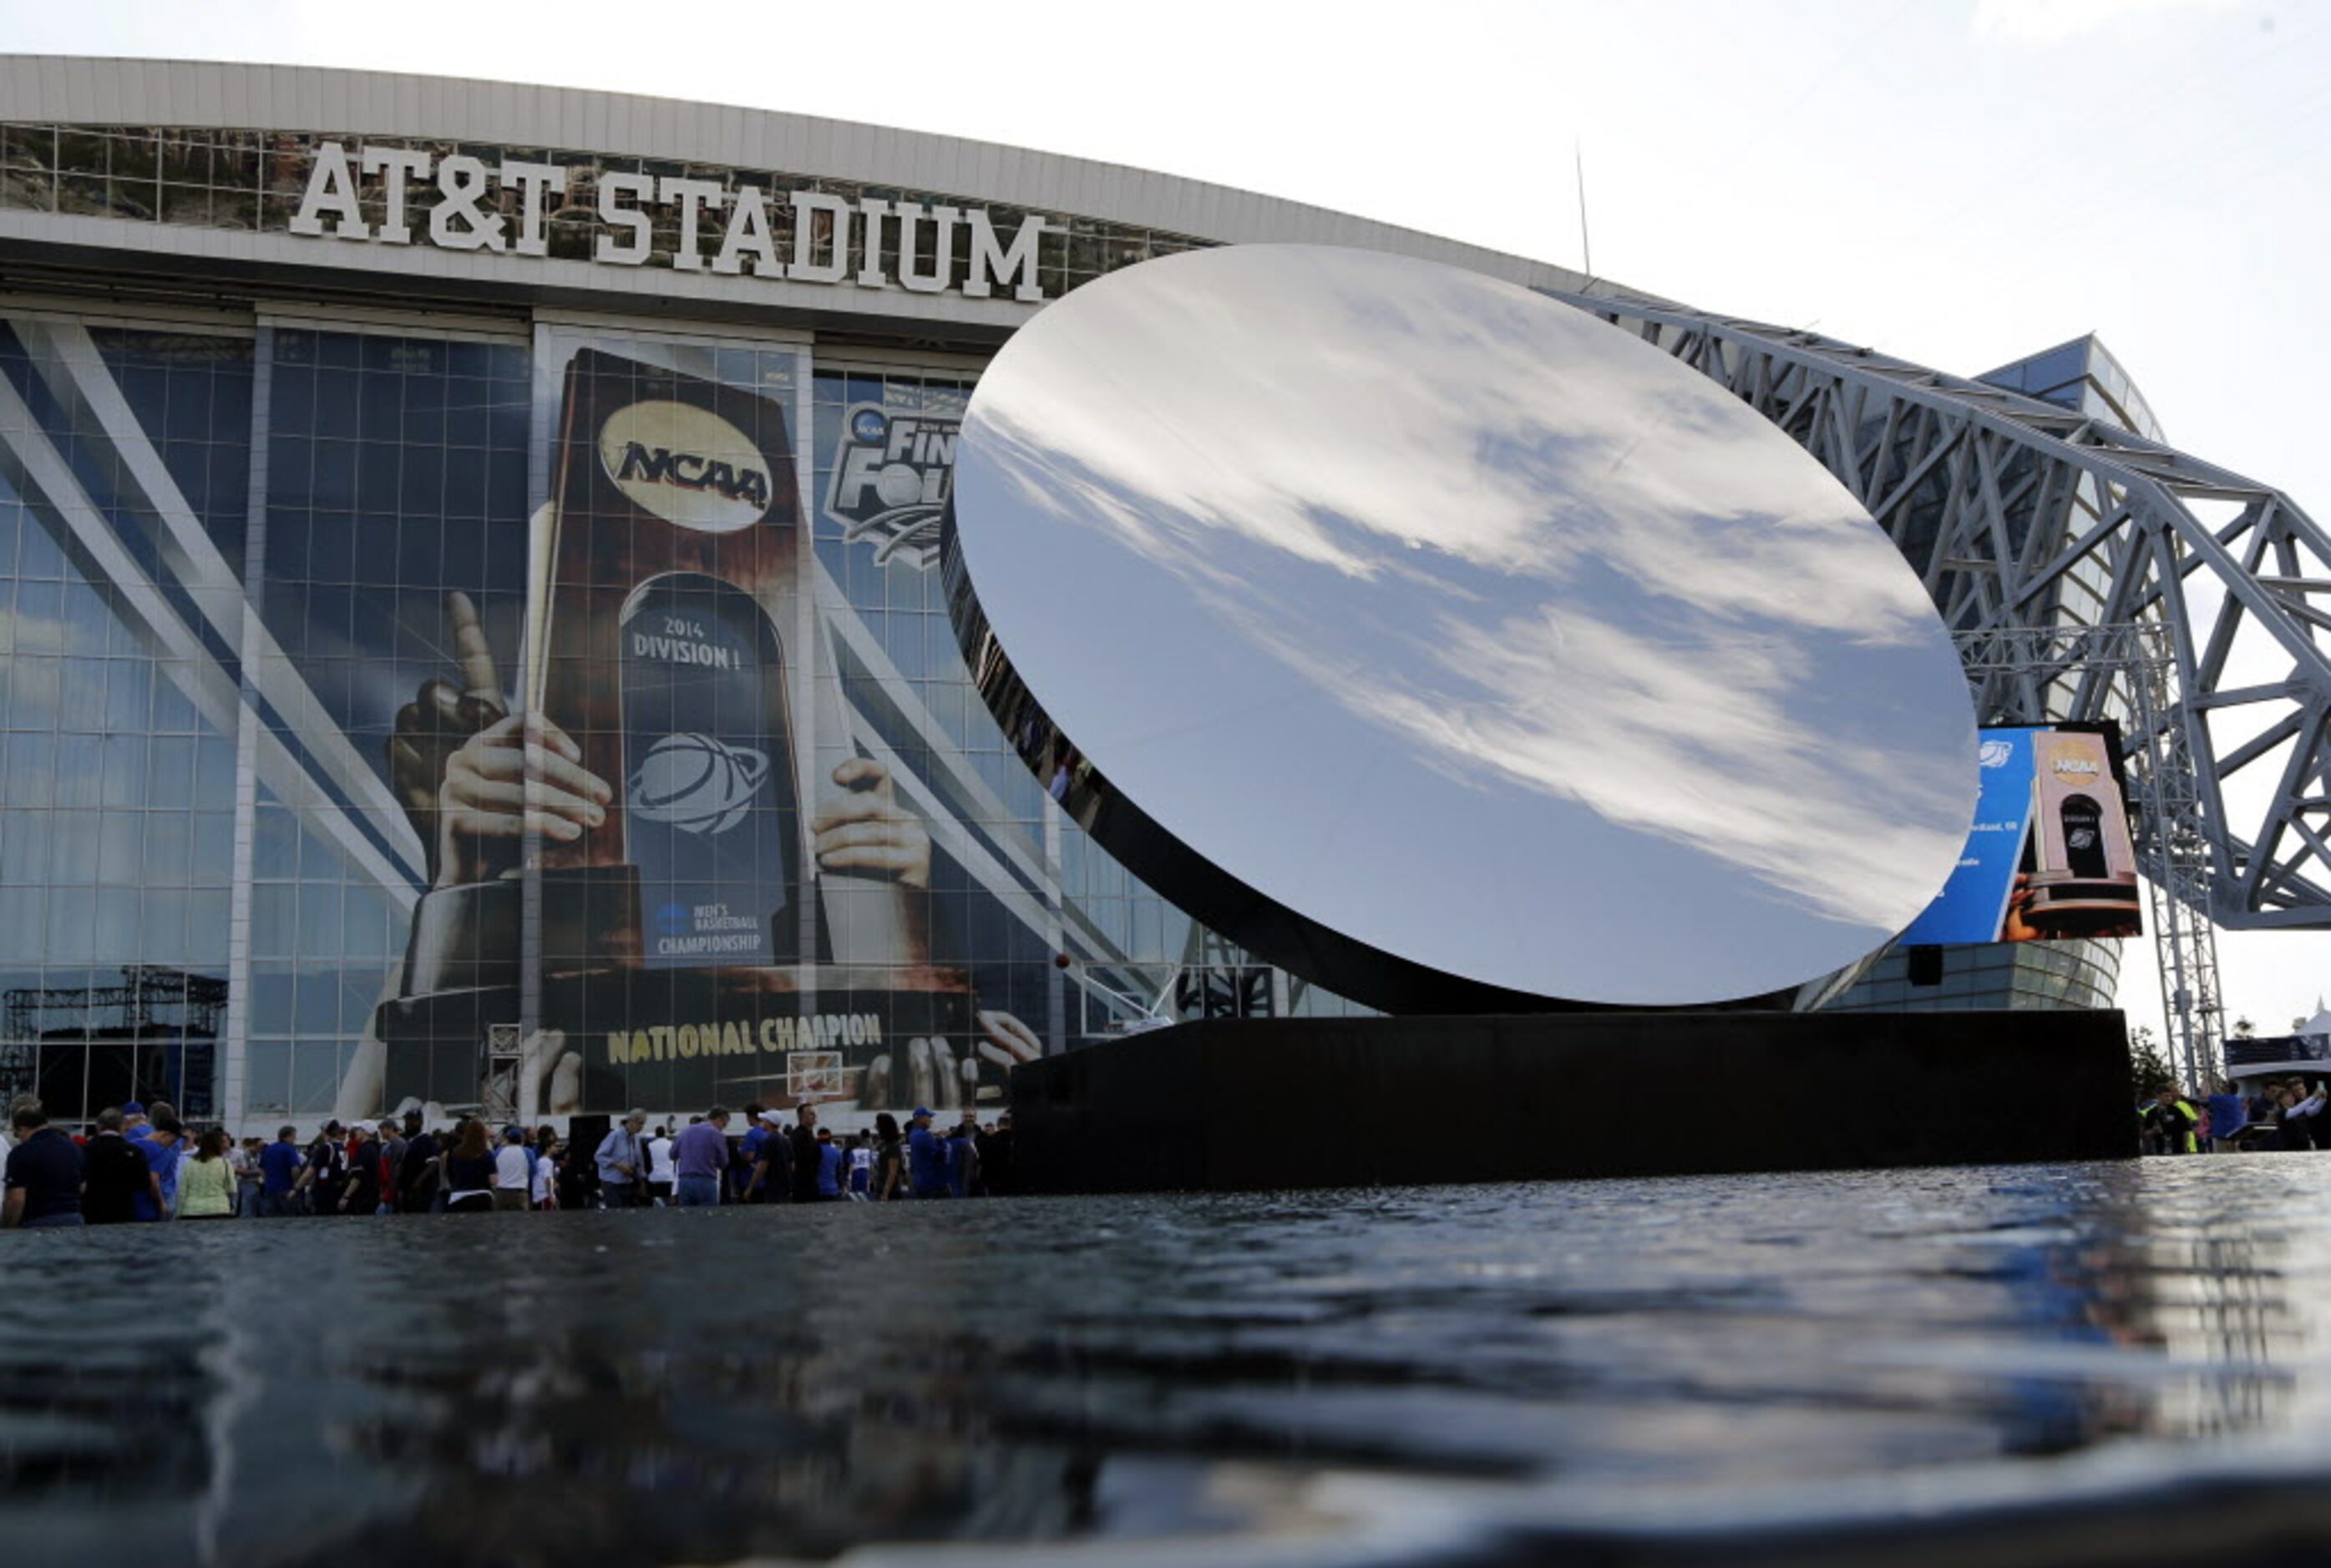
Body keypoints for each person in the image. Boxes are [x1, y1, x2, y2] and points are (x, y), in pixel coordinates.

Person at [3, 1095, 84, 1229]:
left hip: (37, 1222)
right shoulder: (73, 1147)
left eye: (17, 1134)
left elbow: (16, 1199)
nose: (19, 1138)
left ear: (22, 1128)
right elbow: (82, 1186)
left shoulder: (21, 1152)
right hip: (74, 1220)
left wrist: (7, 1229)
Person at [82, 1107, 151, 1225]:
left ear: (99, 1126)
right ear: (122, 1126)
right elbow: (144, 1184)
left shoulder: (85, 1150)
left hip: (93, 1212)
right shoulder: (134, 1151)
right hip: (123, 1211)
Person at [673, 1106, 731, 1207]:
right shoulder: (717, 1134)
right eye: (724, 1124)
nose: (723, 1128)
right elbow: (724, 1162)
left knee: (685, 1218)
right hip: (706, 1181)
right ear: (720, 1119)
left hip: (684, 1181)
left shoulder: (685, 1132)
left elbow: (672, 1154)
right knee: (707, 1218)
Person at [177, 1128, 239, 1220]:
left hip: (192, 1210)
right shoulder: (225, 1163)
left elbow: (182, 1191)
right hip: (219, 1208)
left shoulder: (190, 1164)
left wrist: (179, 1212)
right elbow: (232, 1189)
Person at [137, 1110, 185, 1220]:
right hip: (150, 1204)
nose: (171, 1145)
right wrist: (161, 1202)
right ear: (165, 1135)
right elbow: (153, 1179)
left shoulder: (133, 1144)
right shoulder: (159, 1151)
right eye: (172, 1141)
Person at [442, 1120, 498, 1213]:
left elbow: (450, 1173)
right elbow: (493, 1180)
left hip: (458, 1197)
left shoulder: (455, 1153)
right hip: (483, 1197)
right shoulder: (486, 1154)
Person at [595, 1110, 649, 1208]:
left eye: (643, 1124)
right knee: (615, 1213)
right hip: (611, 1182)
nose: (641, 1127)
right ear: (631, 1121)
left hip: (627, 1182)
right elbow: (599, 1156)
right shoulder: (614, 1135)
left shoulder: (636, 1138)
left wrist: (641, 1179)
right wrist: (619, 1166)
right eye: (640, 1124)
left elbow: (639, 1160)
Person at [296, 1121, 347, 1216]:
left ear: (324, 1131)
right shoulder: (342, 1147)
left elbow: (310, 1171)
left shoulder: (326, 1148)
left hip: (324, 1190)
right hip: (338, 1188)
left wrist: (296, 1188)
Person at [398, 1115, 442, 1215]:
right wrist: (401, 1188)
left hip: (422, 1192)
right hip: (408, 1192)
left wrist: (419, 1181)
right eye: (407, 1121)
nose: (409, 1124)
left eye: (413, 1121)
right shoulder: (409, 1142)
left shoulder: (426, 1140)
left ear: (420, 1122)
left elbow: (433, 1163)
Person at [258, 1125, 304, 1217]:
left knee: (271, 1219)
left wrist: (266, 1180)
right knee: (288, 1218)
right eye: (294, 1136)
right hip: (286, 1189)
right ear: (289, 1136)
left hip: (270, 1189)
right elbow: (295, 1169)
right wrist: (296, 1185)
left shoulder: (268, 1149)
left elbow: (261, 1168)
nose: (295, 1139)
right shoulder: (289, 1149)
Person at [337, 1124, 383, 1216]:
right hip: (373, 1194)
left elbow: (358, 1177)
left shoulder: (365, 1149)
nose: (356, 1132)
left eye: (359, 1130)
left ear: (365, 1132)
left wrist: (346, 1196)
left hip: (363, 1197)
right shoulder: (376, 1147)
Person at [2141, 1085, 2201, 1156]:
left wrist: (2185, 1148)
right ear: (2158, 1097)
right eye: (2166, 1096)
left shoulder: (2177, 1111)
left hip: (2177, 1150)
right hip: (2159, 1151)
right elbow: (2145, 1133)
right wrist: (2154, 1131)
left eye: (2170, 1096)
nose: (2169, 1098)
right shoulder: (2151, 1113)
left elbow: (2186, 1130)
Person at [747, 1110, 790, 1204]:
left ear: (769, 1123)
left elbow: (762, 1166)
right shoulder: (785, 1140)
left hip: (772, 1186)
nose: (762, 1123)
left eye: (764, 1120)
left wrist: (750, 1188)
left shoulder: (769, 1141)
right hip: (785, 1186)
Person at [907, 1106, 950, 1199]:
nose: (930, 1120)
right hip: (932, 1181)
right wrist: (942, 1141)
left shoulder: (913, 1134)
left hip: (920, 1180)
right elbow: (938, 1154)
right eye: (928, 1117)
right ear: (921, 1118)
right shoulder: (924, 1135)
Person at [492, 1125, 533, 1211]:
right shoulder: (528, 1152)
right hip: (520, 1191)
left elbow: (493, 1169)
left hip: (501, 1191)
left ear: (508, 1139)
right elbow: (533, 1171)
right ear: (522, 1139)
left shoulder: (498, 1151)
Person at [788, 1105, 822, 1204]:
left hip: (812, 1183)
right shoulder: (797, 1136)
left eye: (815, 1113)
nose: (814, 1116)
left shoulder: (810, 1135)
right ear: (802, 1116)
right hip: (802, 1186)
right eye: (811, 1114)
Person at [2206, 1079, 2251, 1153]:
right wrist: (2213, 1084)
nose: (2222, 1087)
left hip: (2222, 1135)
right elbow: (2221, 1095)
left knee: (2221, 1158)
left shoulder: (2222, 1100)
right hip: (2236, 1134)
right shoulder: (2238, 1100)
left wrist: (2206, 1081)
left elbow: (2205, 1095)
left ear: (2228, 1089)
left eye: (2225, 1086)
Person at [980, 1113, 1016, 1196]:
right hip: (1013, 1181)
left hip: (993, 1182)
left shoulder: (987, 1142)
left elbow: (982, 1162)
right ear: (1011, 1124)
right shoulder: (1016, 1141)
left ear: (998, 1125)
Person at [873, 1112, 906, 1201]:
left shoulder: (893, 1146)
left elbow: (893, 1171)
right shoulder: (884, 1144)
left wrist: (885, 1193)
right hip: (880, 1186)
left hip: (891, 1191)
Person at [231, 1136, 263, 1216]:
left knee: (254, 1206)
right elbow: (242, 1170)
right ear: (253, 1145)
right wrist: (258, 1172)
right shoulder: (244, 1155)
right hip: (247, 1182)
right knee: (247, 1207)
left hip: (257, 1183)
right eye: (259, 1146)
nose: (261, 1149)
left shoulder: (259, 1155)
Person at [646, 1124, 676, 1206]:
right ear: (665, 1133)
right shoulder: (671, 1144)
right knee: (669, 1203)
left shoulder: (650, 1145)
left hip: (654, 1177)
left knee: (656, 1203)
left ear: (655, 1134)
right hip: (669, 1176)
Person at [813, 1125, 845, 1200]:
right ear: (830, 1138)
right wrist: (842, 1186)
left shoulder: (812, 1151)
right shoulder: (837, 1152)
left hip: (817, 1189)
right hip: (832, 1190)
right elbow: (839, 1172)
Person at [845, 1133, 874, 1201]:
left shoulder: (853, 1152)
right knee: (865, 1190)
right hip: (866, 1172)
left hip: (856, 1172)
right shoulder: (867, 1151)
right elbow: (871, 1164)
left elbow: (851, 1165)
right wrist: (872, 1174)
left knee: (854, 1191)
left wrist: (849, 1175)